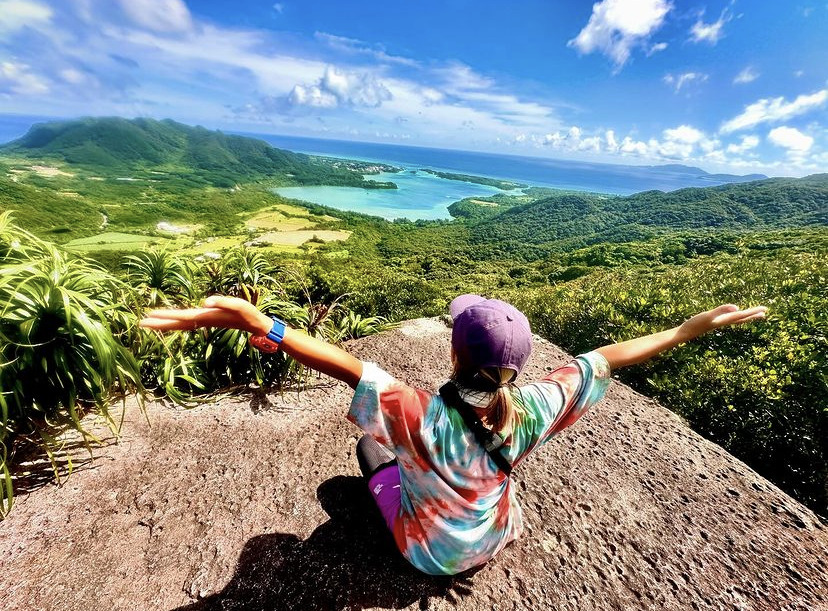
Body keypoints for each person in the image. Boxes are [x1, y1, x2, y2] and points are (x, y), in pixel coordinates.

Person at [140, 294, 767, 576]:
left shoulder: (415, 414)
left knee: (367, 449)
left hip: (428, 555)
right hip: (492, 537)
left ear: (455, 353)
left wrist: (257, 320)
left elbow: (342, 363)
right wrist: (686, 331)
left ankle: (403, 522)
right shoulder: (534, 407)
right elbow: (607, 357)